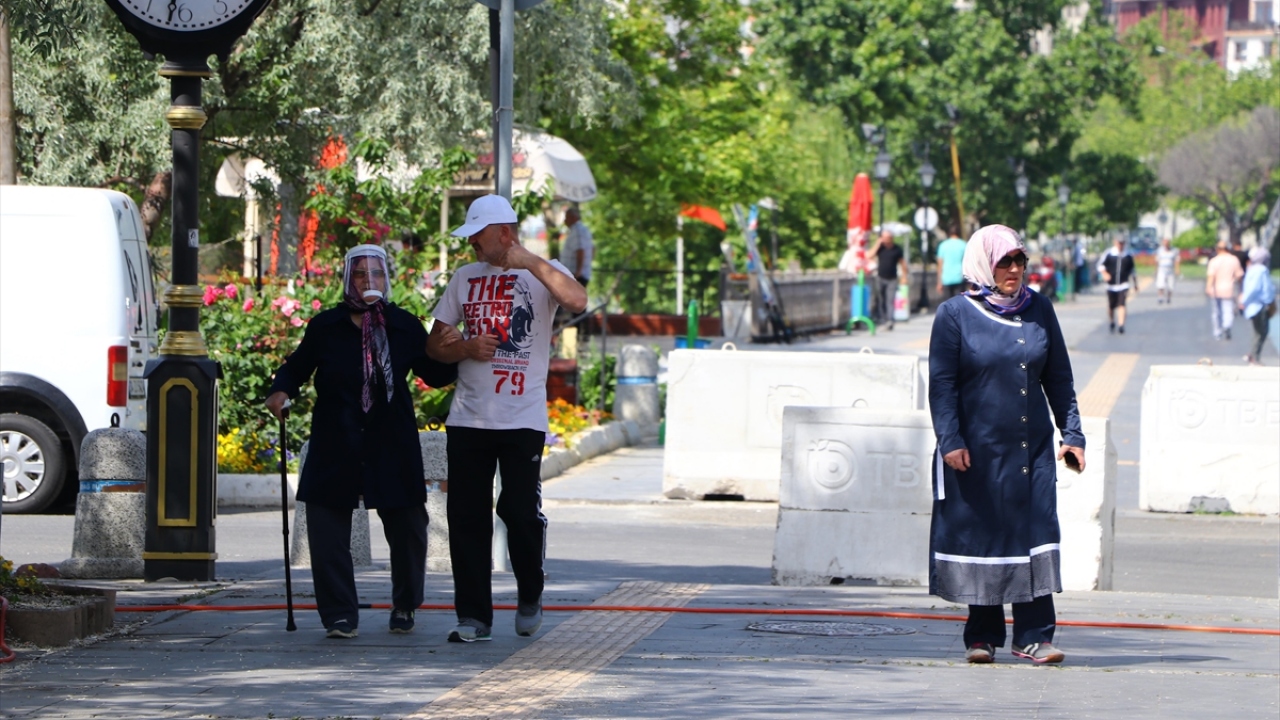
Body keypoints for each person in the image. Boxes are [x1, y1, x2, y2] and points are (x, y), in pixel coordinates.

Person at [265, 245, 459, 639]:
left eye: (376, 274)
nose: (368, 281)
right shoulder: (325, 326)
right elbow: (296, 367)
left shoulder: (404, 325)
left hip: (391, 440)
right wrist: (280, 392)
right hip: (337, 438)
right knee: (325, 527)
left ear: (387, 279)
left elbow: (434, 375)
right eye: (359, 274)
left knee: (408, 526)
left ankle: (405, 604)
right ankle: (339, 614)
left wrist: (458, 347)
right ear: (347, 278)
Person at [427, 194, 587, 643]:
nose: (473, 247)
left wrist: (528, 261)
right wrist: (463, 348)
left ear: (503, 233)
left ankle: (530, 590)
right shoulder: (465, 278)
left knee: (517, 510)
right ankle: (474, 617)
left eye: (478, 238)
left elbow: (577, 299)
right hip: (469, 419)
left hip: (522, 418)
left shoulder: (544, 271)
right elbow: (435, 346)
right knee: (466, 518)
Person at [928, 223, 1086, 666]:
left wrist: (1072, 435)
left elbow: (1058, 377)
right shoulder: (955, 315)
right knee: (986, 534)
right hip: (976, 449)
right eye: (1005, 262)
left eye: (1020, 261)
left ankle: (1034, 636)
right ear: (984, 263)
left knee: (1032, 533)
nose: (1015, 270)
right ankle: (982, 636)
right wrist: (950, 439)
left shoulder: (1040, 309)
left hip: (1030, 449)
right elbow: (941, 385)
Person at [1239, 245, 1275, 365]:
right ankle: (1254, 357)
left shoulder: (1252, 268)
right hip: (1259, 305)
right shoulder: (1261, 270)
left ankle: (1253, 354)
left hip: (1253, 305)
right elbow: (1258, 288)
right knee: (1262, 331)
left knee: (1257, 331)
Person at [868, 230, 908, 330]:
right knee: (881, 299)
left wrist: (904, 276)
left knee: (890, 300)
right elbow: (869, 256)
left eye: (888, 238)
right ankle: (884, 318)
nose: (886, 240)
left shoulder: (897, 249)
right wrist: (878, 243)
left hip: (892, 279)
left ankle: (890, 320)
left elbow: (903, 263)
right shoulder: (880, 248)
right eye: (884, 238)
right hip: (880, 277)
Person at [1096, 236, 1136, 334]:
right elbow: (1100, 265)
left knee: (1122, 304)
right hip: (1111, 285)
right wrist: (1105, 274)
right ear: (1115, 242)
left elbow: (1133, 270)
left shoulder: (1128, 255)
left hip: (1123, 284)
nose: (1121, 245)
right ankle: (1112, 321)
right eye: (1119, 243)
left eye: (1122, 243)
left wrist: (1136, 284)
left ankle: (1121, 324)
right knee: (1111, 306)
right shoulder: (1109, 254)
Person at [1206, 240, 1244, 341]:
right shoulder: (1234, 260)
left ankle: (1217, 331)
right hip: (1229, 288)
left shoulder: (1214, 261)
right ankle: (1227, 326)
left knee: (1216, 312)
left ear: (1217, 249)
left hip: (1216, 289)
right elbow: (1239, 275)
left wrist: (1208, 287)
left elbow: (1211, 276)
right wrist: (1241, 287)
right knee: (1228, 310)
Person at [558, 205, 594, 288]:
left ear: (573, 217)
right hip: (576, 274)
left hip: (575, 275)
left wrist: (578, 272)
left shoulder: (577, 230)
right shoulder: (583, 229)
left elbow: (580, 250)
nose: (565, 220)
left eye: (567, 217)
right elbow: (593, 248)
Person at [934, 232, 968, 300]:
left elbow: (940, 265)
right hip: (960, 278)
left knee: (948, 304)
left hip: (946, 278)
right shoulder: (963, 244)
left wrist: (939, 282)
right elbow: (967, 263)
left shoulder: (943, 245)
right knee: (960, 303)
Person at [1154, 238, 1180, 305]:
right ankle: (1160, 297)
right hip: (1162, 269)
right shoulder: (1160, 250)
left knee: (1170, 285)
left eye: (1167, 242)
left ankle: (1169, 297)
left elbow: (1177, 260)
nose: (1166, 244)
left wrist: (1177, 269)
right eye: (1164, 242)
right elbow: (1157, 261)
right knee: (1160, 284)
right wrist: (1156, 270)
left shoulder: (1174, 250)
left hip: (1170, 269)